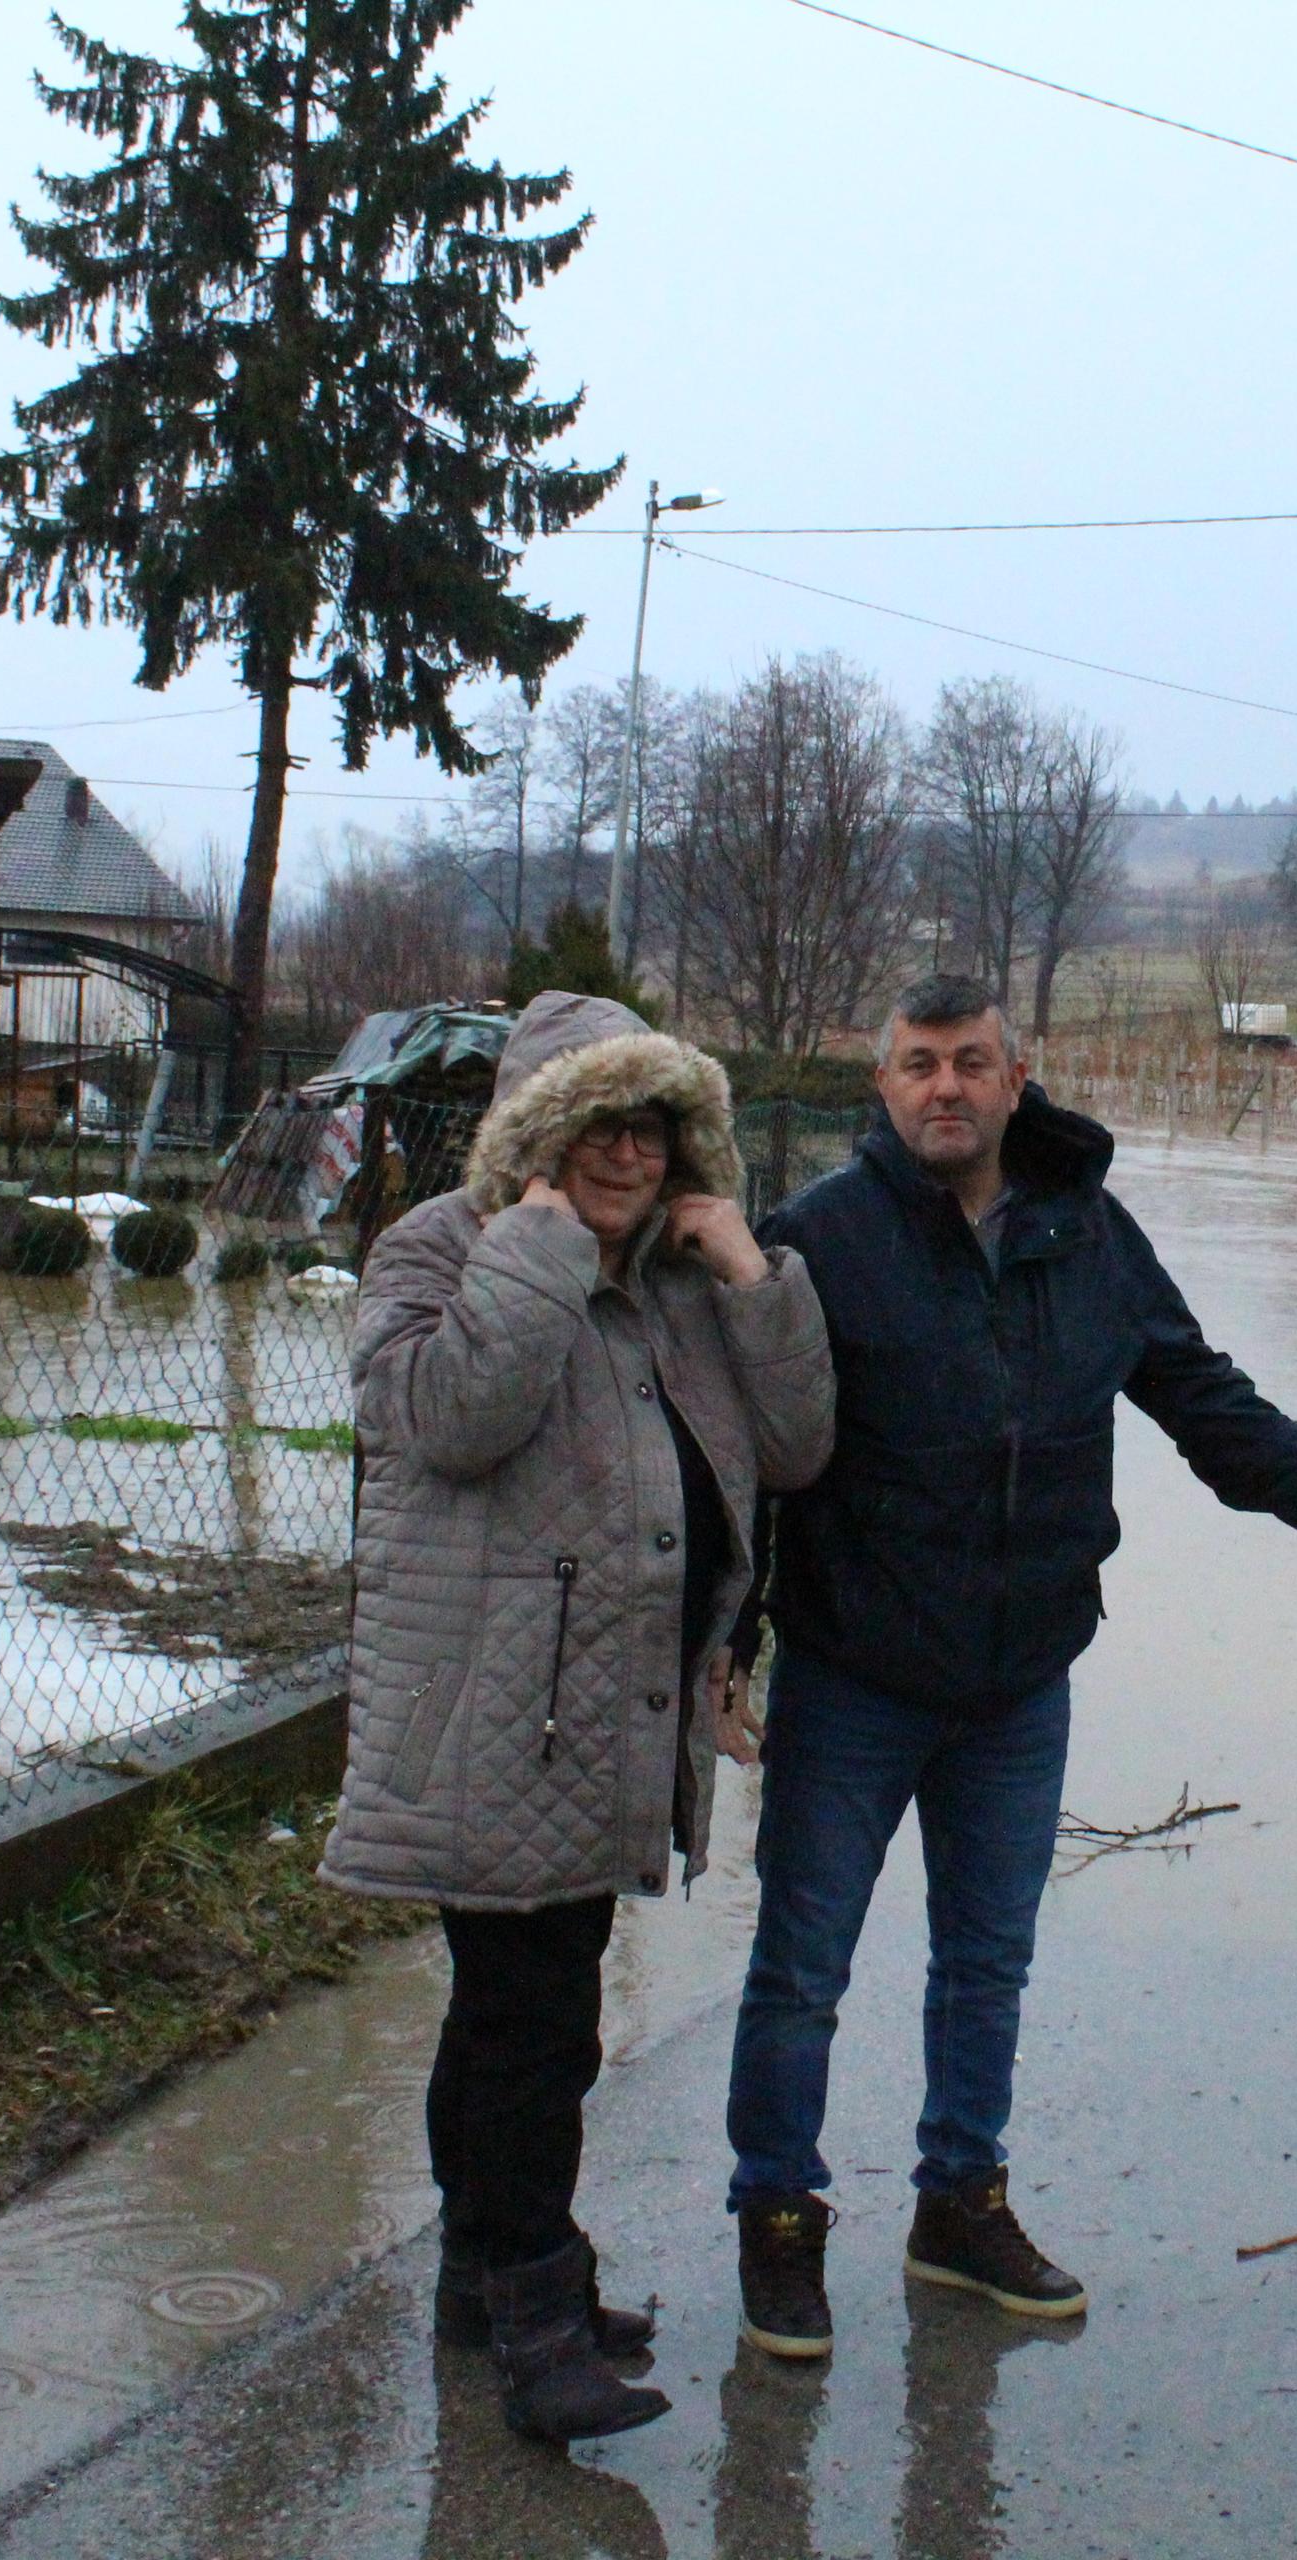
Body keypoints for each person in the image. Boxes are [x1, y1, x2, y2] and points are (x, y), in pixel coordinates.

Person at [722, 974, 1297, 2359]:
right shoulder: (817, 1241)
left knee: (987, 1965)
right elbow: (755, 1467)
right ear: (880, 1088)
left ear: (1019, 1079)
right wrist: (724, 1648)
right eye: (918, 1064)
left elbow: (1200, 1396)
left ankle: (961, 2205)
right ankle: (778, 2221)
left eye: (972, 1062)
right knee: (800, 1969)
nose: (946, 1086)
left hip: (1020, 1677)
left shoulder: (1088, 1233)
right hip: (854, 1674)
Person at [324, 989, 834, 2444]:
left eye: (655, 1124)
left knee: (511, 2020)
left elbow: (798, 1445)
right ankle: (537, 2314)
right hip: (496, 1713)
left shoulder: (684, 1281)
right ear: (539, 1136)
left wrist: (749, 1270)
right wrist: (538, 1241)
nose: (628, 1153)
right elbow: (448, 1418)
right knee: (534, 2029)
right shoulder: (437, 1250)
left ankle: (482, 2283)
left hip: (617, 1716)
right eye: (596, 1124)